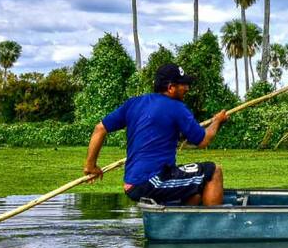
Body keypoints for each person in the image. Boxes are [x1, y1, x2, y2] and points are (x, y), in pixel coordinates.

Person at [83, 63, 229, 206]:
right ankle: (216, 221)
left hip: (131, 184)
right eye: (183, 84)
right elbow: (203, 140)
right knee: (213, 171)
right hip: (153, 181)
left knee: (195, 195)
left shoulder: (133, 103)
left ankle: (183, 220)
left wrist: (90, 166)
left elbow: (99, 129)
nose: (187, 88)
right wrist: (217, 121)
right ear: (171, 88)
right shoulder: (176, 107)